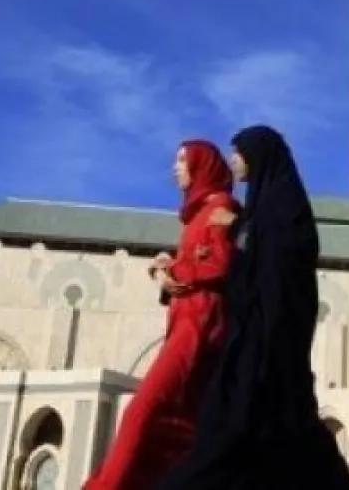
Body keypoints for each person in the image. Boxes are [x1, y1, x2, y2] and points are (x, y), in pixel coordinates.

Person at [154, 125, 349, 490]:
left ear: (259, 157)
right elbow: (246, 261)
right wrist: (239, 231)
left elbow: (285, 257)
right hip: (252, 334)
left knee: (247, 425)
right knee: (270, 430)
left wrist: (242, 228)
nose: (233, 161)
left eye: (239, 153)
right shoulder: (258, 210)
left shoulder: (285, 206)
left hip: (272, 339)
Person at [84, 140, 239, 490]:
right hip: (186, 321)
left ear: (203, 165)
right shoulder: (196, 215)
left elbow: (221, 262)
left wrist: (176, 271)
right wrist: (165, 270)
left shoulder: (221, 206)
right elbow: (196, 263)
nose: (175, 168)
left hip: (201, 325)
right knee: (179, 421)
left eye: (183, 160)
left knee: (144, 407)